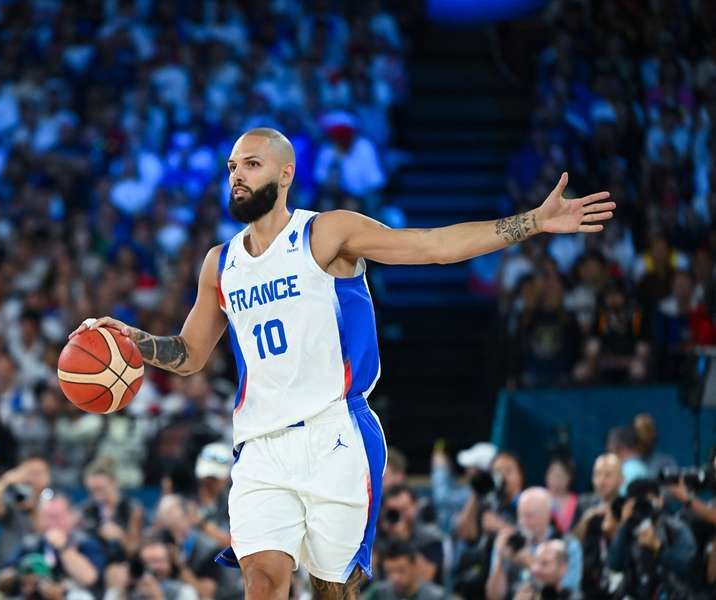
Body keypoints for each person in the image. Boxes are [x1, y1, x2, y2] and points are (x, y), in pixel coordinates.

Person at [73, 128, 614, 598]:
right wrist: (134, 342)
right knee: (261, 579)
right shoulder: (222, 262)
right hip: (260, 446)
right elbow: (189, 355)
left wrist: (532, 224)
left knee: (333, 590)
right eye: (232, 167)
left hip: (335, 434)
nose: (236, 175)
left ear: (285, 175)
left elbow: (429, 248)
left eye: (251, 165)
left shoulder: (325, 233)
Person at [486, 488, 583, 600]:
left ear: (547, 514)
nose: (523, 522)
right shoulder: (509, 541)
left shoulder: (569, 545)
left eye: (529, 516)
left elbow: (567, 590)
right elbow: (494, 596)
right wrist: (500, 560)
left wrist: (528, 561)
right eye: (520, 516)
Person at [362, 541, 451, 600]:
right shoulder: (379, 593)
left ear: (414, 566)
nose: (395, 578)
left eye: (401, 571)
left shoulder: (436, 597)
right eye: (389, 572)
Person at [571, 453, 623, 541]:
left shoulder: (627, 506)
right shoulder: (583, 503)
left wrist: (614, 528)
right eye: (597, 474)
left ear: (622, 479)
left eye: (608, 475)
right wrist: (585, 521)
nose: (601, 481)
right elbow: (571, 542)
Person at [606, 425, 648, 493]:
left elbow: (620, 497)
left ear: (618, 448)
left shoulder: (633, 470)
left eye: (610, 451)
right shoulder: (636, 467)